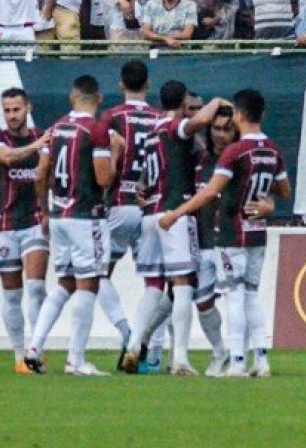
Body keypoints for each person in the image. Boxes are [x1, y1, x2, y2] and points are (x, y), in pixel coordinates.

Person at [159, 88, 289, 378]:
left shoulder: (235, 153)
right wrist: (266, 201)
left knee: (234, 297)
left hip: (231, 235)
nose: (220, 134)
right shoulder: (272, 149)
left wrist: (175, 214)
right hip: (254, 234)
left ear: (239, 117)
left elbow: (211, 192)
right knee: (250, 297)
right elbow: (284, 189)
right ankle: (261, 360)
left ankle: (238, 362)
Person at [119, 86, 226, 376]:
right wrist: (217, 99)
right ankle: (179, 357)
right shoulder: (172, 127)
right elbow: (199, 122)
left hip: (150, 215)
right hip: (173, 214)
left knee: (154, 286)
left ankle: (133, 346)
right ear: (181, 103)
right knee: (182, 285)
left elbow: (146, 171)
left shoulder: (152, 131)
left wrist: (142, 187)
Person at [23, 75, 116, 376]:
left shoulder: (56, 128)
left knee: (65, 283)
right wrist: (115, 151)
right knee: (88, 283)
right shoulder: (97, 130)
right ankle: (76, 359)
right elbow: (103, 178)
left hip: (59, 214)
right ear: (98, 99)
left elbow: (40, 174)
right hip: (85, 216)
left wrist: (44, 211)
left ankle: (34, 347)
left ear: (71, 97)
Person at [96, 60, 162, 362]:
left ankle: (126, 332)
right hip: (150, 206)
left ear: (121, 84)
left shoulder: (111, 117)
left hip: (119, 205)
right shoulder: (159, 119)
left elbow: (102, 164)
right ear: (148, 85)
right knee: (156, 282)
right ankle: (153, 351)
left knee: (98, 273)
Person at [0, 88, 50, 373]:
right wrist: (37, 148)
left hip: (35, 221)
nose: (12, 115)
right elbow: (8, 158)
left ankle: (36, 352)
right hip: (5, 224)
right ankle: (19, 356)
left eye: (17, 109)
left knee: (36, 288)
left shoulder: (43, 137)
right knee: (12, 294)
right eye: (7, 110)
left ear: (28, 108)